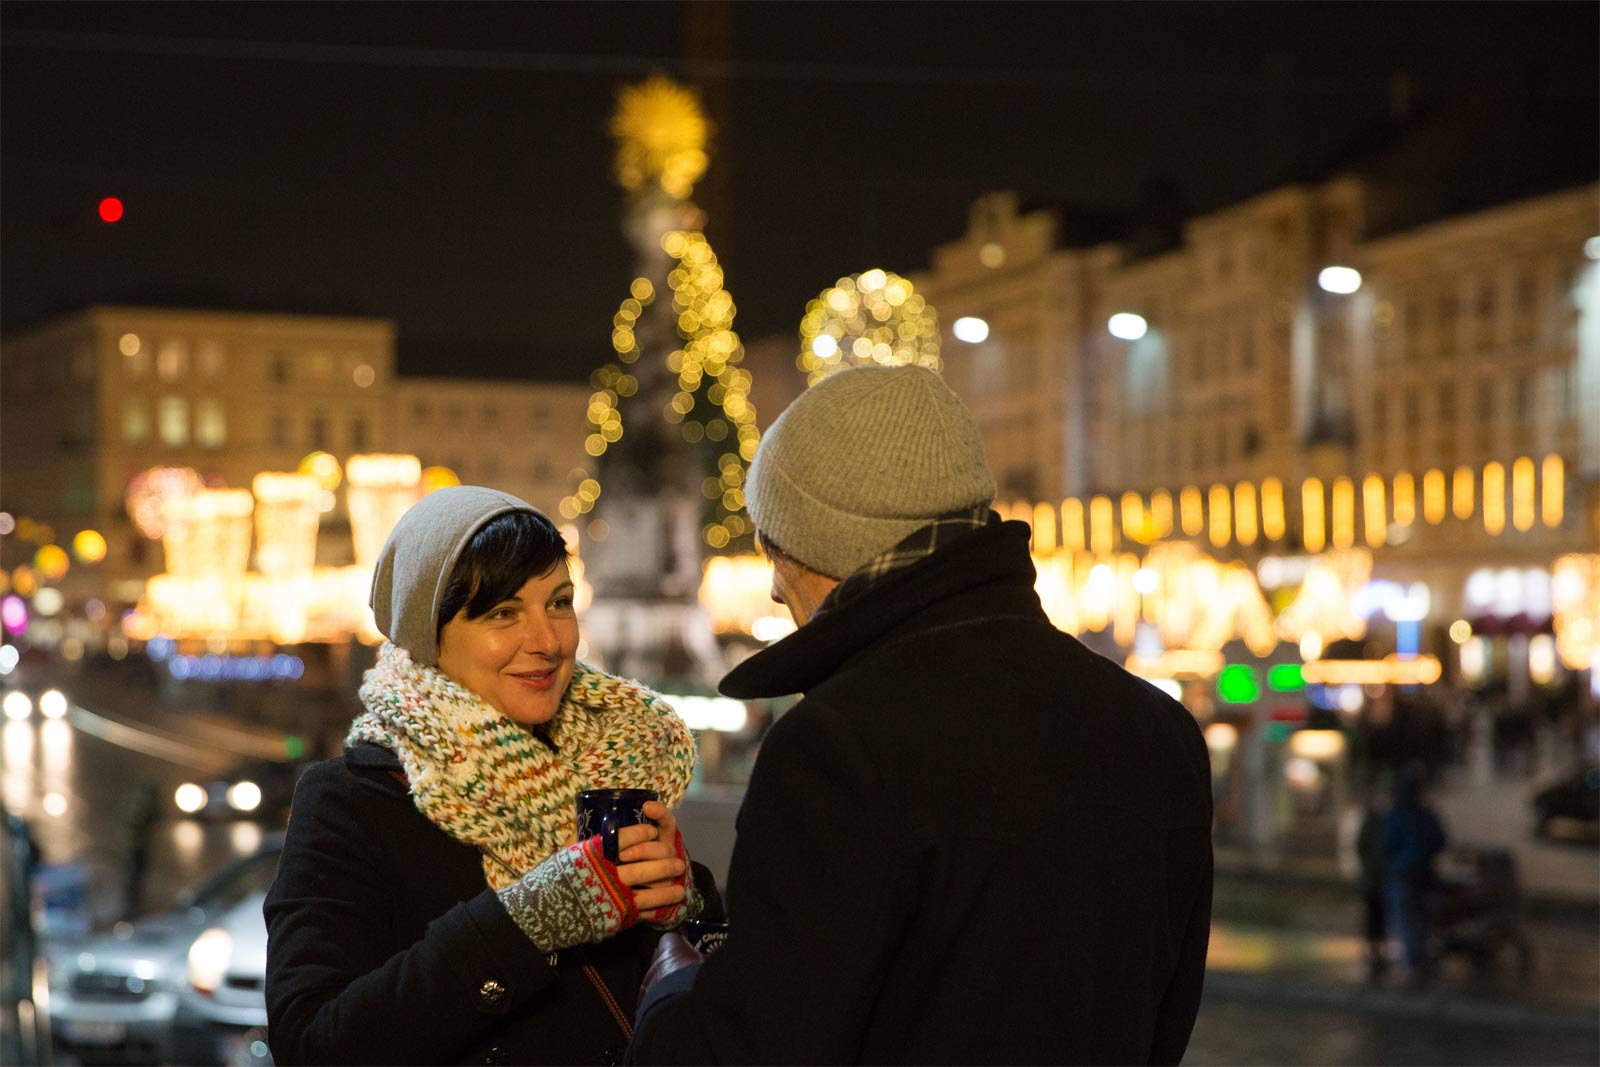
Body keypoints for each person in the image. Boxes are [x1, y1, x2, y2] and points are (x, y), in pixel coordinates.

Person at [629, 365, 1213, 1065]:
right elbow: (1166, 1018)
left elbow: (747, 1049)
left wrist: (670, 984)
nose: (775, 588)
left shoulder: (838, 747)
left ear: (823, 545)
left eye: (772, 546)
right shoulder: (1158, 732)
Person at [265, 487, 721, 1066]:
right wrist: (531, 918)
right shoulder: (352, 800)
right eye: (503, 613)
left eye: (559, 603)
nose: (548, 642)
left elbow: (715, 998)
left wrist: (686, 903)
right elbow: (311, 1044)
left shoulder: (618, 763)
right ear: (427, 633)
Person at [1381, 765, 1447, 989]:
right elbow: (1440, 841)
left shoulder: (1397, 815)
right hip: (1423, 872)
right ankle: (1420, 961)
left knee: (1405, 918)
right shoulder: (1425, 814)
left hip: (1404, 873)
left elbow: (1387, 844)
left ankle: (1411, 965)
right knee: (1420, 919)